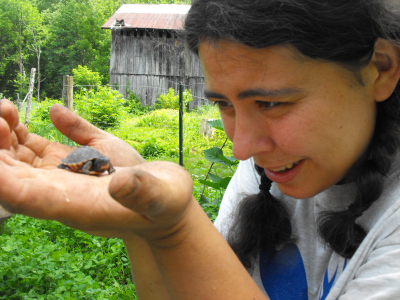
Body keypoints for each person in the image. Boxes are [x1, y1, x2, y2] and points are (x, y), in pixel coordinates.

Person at [1, 0, 400, 298]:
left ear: (380, 68)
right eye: (224, 104)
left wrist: (176, 227)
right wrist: (144, 224)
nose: (242, 148)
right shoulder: (267, 171)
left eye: (272, 103)